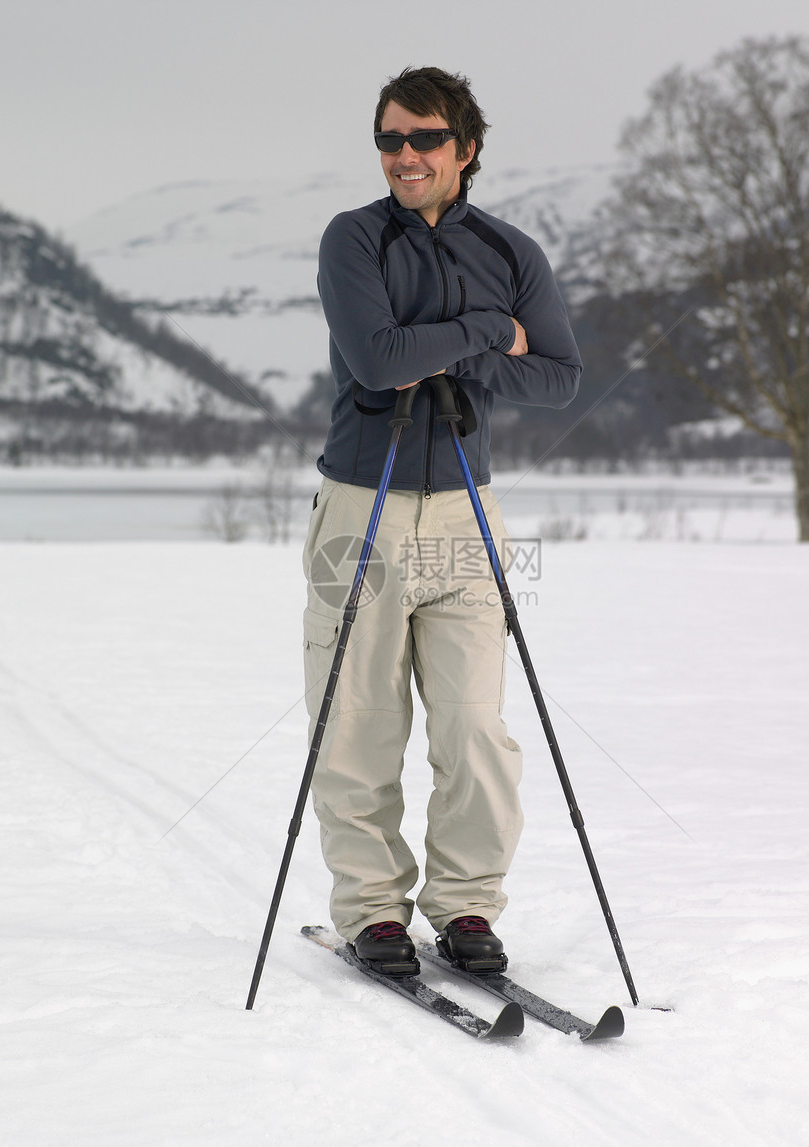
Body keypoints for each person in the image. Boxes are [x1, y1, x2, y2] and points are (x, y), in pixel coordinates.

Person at [304, 66, 581, 976]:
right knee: (359, 720)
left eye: (424, 138)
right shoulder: (353, 239)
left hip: (467, 506)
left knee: (473, 724)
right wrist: (483, 332)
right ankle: (374, 912)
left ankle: (465, 907)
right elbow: (380, 361)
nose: (405, 156)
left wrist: (467, 344)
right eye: (390, 140)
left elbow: (559, 376)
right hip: (362, 500)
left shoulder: (511, 251)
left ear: (466, 146)